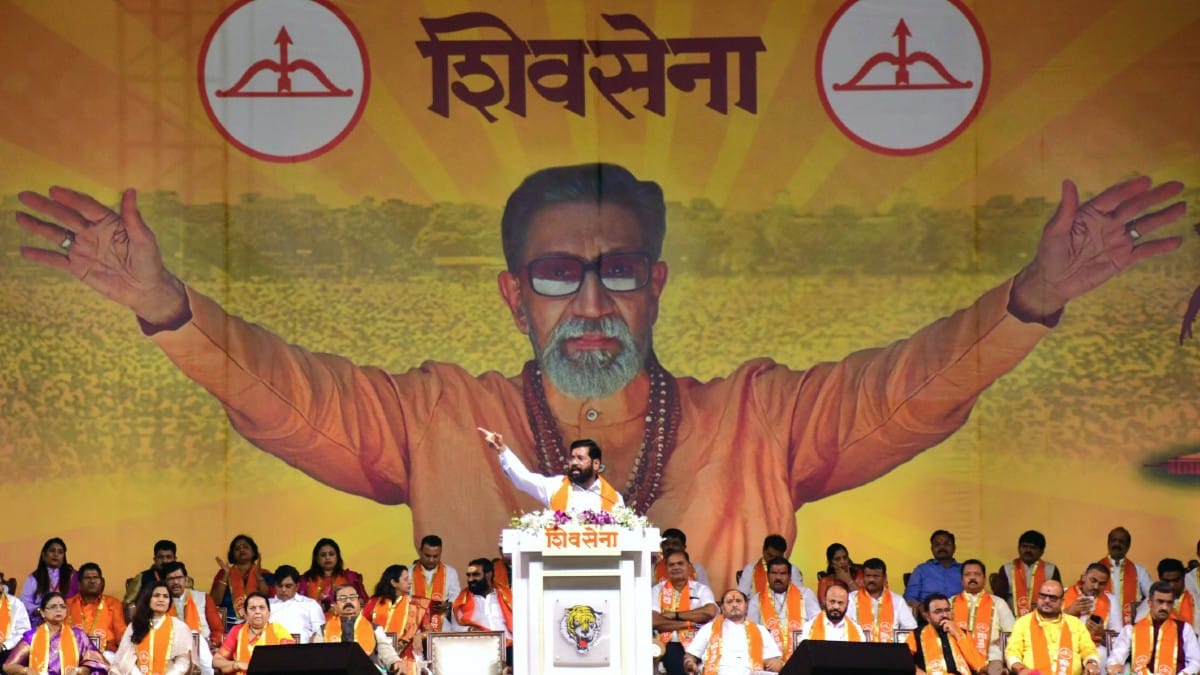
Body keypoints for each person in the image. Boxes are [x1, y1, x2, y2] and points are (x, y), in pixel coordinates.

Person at [13, 168, 1187, 589]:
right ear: (513, 295)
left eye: (617, 270)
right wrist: (166, 309)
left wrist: (1034, 295)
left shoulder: (762, 420)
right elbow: (292, 396)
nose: (590, 301)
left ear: (656, 285)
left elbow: (908, 390)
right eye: (558, 274)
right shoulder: (444, 418)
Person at [480, 430, 623, 512]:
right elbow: (523, 478)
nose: (574, 463)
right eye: (571, 458)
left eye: (580, 458)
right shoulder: (555, 486)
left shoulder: (613, 498)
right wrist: (502, 449)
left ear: (596, 464)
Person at [1005, 580, 1101, 675]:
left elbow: (1089, 650)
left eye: (1053, 598)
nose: (1047, 600)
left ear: (1062, 601)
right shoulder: (1023, 622)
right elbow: (1012, 653)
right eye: (1043, 596)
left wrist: (1091, 663)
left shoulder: (1075, 623)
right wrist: (1021, 669)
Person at [1106, 580, 1200, 675]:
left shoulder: (1184, 630)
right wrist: (1116, 666)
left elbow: (1195, 662)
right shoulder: (1132, 630)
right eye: (1160, 602)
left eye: (1169, 603)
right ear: (1149, 603)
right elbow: (1115, 659)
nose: (1165, 607)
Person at [2, 592, 108, 675]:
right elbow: (8, 666)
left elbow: (99, 664)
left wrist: (79, 671)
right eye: (53, 606)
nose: (58, 609)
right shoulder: (32, 636)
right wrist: (26, 670)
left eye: (62, 606)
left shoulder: (78, 636)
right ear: (42, 612)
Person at [684, 589, 784, 674]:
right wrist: (689, 663)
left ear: (746, 605)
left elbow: (771, 659)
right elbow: (691, 655)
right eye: (729, 602)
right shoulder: (709, 629)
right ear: (722, 608)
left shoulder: (760, 630)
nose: (734, 605)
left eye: (738, 601)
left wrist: (776, 663)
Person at [653, 550, 718, 675]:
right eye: (671, 565)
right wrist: (688, 624)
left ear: (688, 566)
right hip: (671, 644)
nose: (676, 567)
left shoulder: (701, 589)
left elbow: (710, 611)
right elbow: (655, 621)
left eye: (680, 563)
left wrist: (675, 615)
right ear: (666, 568)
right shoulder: (657, 590)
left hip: (700, 642)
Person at [110, 581, 196, 675]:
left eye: (165, 596)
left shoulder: (179, 627)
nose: (161, 599)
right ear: (147, 599)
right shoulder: (135, 626)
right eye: (156, 595)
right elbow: (125, 658)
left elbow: (183, 662)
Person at [747, 558, 818, 663]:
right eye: (774, 573)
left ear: (789, 576)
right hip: (770, 662)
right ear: (767, 575)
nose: (778, 577)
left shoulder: (805, 595)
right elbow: (752, 632)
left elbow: (817, 625)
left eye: (783, 573)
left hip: (802, 659)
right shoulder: (756, 600)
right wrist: (767, 660)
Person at [952, 559, 1014, 675]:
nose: (972, 578)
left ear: (984, 579)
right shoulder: (951, 602)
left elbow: (1011, 632)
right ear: (961, 579)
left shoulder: (998, 603)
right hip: (958, 656)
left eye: (977, 574)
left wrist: (997, 647)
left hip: (991, 658)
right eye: (967, 574)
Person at [323, 585, 402, 673]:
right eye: (342, 599)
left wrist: (395, 661)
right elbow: (317, 657)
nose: (348, 601)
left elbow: (386, 651)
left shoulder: (375, 629)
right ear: (335, 605)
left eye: (352, 597)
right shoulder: (324, 630)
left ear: (359, 602)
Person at [450, 560, 513, 670]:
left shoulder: (507, 596)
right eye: (468, 575)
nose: (470, 579)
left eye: (475, 575)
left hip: (511, 650)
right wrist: (470, 630)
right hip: (480, 650)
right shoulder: (460, 602)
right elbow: (456, 629)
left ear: (488, 575)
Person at [212, 593, 295, 674]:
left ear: (269, 613)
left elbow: (292, 660)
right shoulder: (237, 631)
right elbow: (216, 661)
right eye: (252, 608)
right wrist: (237, 665)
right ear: (245, 614)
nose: (257, 611)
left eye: (262, 608)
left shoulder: (278, 631)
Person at [906, 594, 988, 675]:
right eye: (938, 611)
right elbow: (905, 662)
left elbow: (979, 665)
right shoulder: (916, 634)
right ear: (927, 616)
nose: (944, 615)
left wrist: (957, 635)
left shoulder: (963, 633)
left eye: (947, 610)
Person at [363, 565, 428, 666]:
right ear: (394, 582)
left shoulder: (417, 605)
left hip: (406, 655)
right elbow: (362, 625)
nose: (410, 582)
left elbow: (430, 630)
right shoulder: (373, 603)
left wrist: (419, 635)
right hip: (377, 653)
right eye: (406, 579)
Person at [162, 562, 218, 675]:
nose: (175, 582)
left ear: (186, 580)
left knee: (195, 636)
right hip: (171, 648)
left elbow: (217, 629)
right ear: (164, 582)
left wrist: (213, 641)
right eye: (171, 579)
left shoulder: (203, 598)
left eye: (179, 578)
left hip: (202, 646)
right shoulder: (160, 601)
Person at [1062, 563, 1124, 664]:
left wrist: (1102, 633)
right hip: (1064, 643)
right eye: (1093, 581)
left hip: (1095, 647)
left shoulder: (1111, 601)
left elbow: (1119, 637)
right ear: (1083, 577)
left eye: (1102, 584)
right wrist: (1069, 612)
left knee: (1101, 655)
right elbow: (1047, 621)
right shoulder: (1063, 593)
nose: (1096, 587)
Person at [991, 530, 1062, 617]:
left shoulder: (1051, 570)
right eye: (1024, 546)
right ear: (1018, 548)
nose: (1028, 550)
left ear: (1042, 551)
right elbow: (999, 600)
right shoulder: (1007, 569)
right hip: (1013, 619)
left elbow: (1057, 598)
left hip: (1044, 619)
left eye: (1033, 547)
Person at [66, 563, 127, 660]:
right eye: (87, 578)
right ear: (79, 584)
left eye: (95, 577)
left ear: (102, 582)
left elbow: (121, 634)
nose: (92, 581)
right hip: (74, 654)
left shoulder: (113, 604)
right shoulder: (67, 604)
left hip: (105, 655)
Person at [848, 558, 917, 643]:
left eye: (876, 576)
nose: (871, 580)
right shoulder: (851, 598)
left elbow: (910, 628)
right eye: (868, 576)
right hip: (859, 648)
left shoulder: (897, 600)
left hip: (891, 649)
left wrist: (895, 641)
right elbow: (846, 626)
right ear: (863, 577)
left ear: (885, 577)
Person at [209, 535, 270, 631]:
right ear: (232, 555)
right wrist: (226, 575)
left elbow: (268, 598)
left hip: (259, 626)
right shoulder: (223, 574)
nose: (241, 550)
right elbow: (215, 601)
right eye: (237, 548)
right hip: (229, 628)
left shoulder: (264, 574)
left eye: (245, 547)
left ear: (254, 552)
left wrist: (258, 576)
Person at [298, 539, 367, 619]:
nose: (327, 557)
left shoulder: (350, 578)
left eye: (331, 554)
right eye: (323, 555)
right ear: (316, 558)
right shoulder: (305, 580)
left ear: (337, 557)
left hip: (346, 623)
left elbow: (363, 604)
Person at [1098, 526, 1152, 625]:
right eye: (1114, 540)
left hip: (1130, 627)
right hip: (1101, 626)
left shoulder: (1139, 571)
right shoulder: (1095, 569)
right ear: (1108, 543)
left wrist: (1138, 615)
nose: (1117, 544)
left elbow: (1153, 596)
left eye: (1121, 541)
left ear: (1128, 546)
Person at [19, 538, 78, 623]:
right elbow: (24, 602)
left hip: (67, 621)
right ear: (44, 555)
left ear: (64, 557)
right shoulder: (34, 577)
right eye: (52, 551)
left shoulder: (72, 576)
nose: (56, 554)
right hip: (41, 621)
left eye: (60, 552)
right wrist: (40, 611)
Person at [905, 530, 964, 616]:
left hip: (959, 615)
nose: (942, 547)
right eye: (937, 545)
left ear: (954, 547)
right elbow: (909, 598)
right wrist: (920, 606)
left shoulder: (964, 570)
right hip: (927, 616)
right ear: (932, 549)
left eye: (946, 544)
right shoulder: (921, 570)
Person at [1133, 558, 1199, 634]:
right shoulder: (1151, 602)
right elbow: (1138, 628)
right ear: (1160, 579)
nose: (1172, 585)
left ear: (1184, 577)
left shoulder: (1195, 598)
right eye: (1167, 581)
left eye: (1176, 580)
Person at [411, 535, 459, 632]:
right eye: (427, 555)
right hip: (414, 629)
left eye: (435, 556)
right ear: (420, 551)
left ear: (441, 553)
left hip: (442, 628)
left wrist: (448, 605)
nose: (431, 560)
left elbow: (456, 599)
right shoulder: (408, 572)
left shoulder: (450, 573)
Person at [267, 565, 325, 644]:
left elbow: (320, 631)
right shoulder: (265, 605)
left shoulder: (310, 604)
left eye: (288, 586)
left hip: (303, 650)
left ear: (297, 586)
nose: (283, 590)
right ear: (275, 585)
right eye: (280, 586)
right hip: (271, 648)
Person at [737, 535, 803, 598]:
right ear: (763, 550)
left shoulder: (792, 570)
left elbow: (799, 594)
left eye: (777, 557)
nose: (773, 560)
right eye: (770, 556)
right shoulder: (750, 569)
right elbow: (741, 595)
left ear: (783, 554)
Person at [801, 582, 865, 642]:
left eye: (840, 603)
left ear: (847, 604)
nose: (836, 606)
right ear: (825, 601)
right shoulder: (809, 628)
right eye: (832, 601)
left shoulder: (857, 630)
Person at [123, 540, 177, 606]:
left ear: (175, 559)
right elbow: (127, 603)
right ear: (155, 559)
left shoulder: (183, 580)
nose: (164, 561)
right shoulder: (142, 577)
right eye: (160, 557)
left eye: (168, 557)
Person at [816, 543, 862, 607]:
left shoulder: (859, 575)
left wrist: (849, 581)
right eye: (837, 559)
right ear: (831, 564)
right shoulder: (825, 582)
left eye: (845, 558)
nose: (842, 561)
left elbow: (864, 601)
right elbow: (824, 606)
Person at [0, 580, 32, 663]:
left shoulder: (15, 604)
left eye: (0, 583)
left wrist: (5, 646)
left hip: (6, 650)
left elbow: (24, 632)